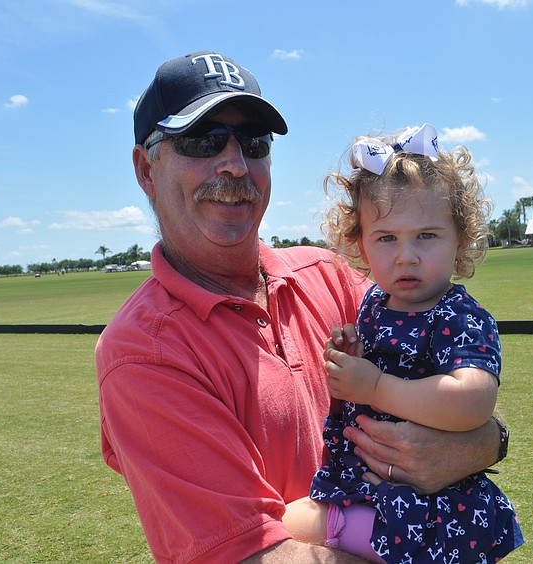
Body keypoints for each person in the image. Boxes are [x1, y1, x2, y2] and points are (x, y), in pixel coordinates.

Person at [96, 51, 507, 563]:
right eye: (201, 140)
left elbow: (448, 379)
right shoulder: (144, 352)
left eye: (253, 142)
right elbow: (248, 554)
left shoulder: (331, 277)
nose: (234, 162)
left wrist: (485, 441)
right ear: (145, 169)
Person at [284, 124, 523, 563]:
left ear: (461, 241)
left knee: (292, 525)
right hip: (369, 488)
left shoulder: (456, 315)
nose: (406, 255)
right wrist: (354, 348)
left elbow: (473, 400)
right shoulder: (374, 301)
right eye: (387, 238)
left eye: (427, 236)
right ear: (361, 245)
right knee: (292, 524)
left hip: (432, 507)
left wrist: (375, 387)